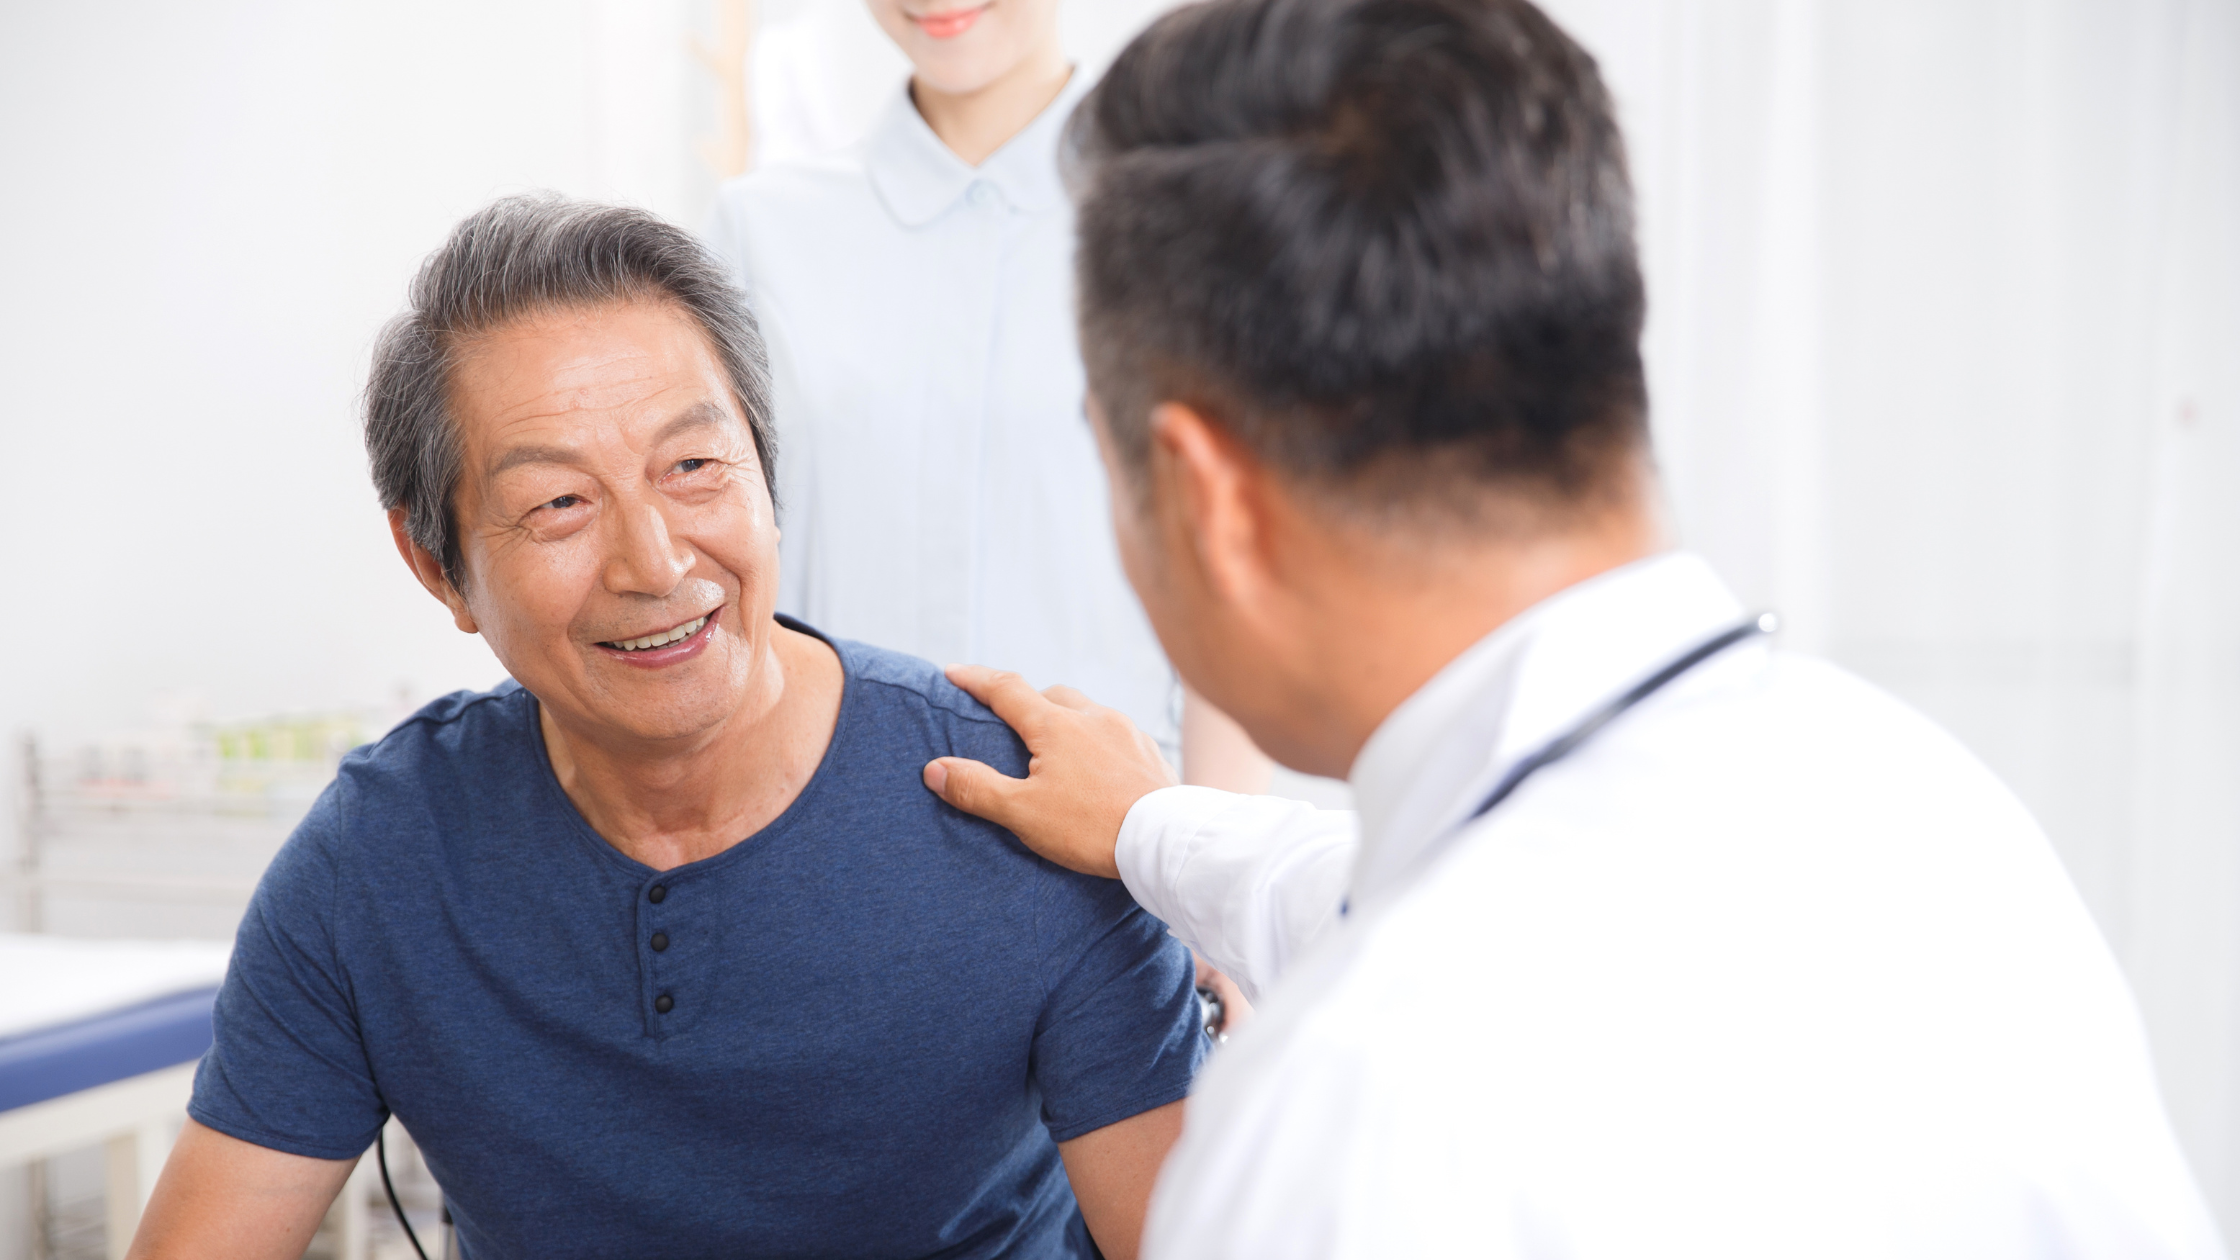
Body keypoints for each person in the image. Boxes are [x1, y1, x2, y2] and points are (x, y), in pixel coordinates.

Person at [917, 0, 2229, 1256]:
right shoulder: (1923, 800)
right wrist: (1153, 824)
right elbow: (1434, 891)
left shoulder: (1351, 1120)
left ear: (1209, 501)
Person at [126, 197, 1202, 1260]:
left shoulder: (1022, 811)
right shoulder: (380, 858)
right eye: (558, 504)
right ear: (435, 566)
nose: (655, 563)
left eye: (692, 468)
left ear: (766, 476)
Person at [700, 0, 1271, 793]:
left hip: (1116, 851)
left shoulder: (1194, 223)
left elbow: (1234, 577)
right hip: (824, 822)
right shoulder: (761, 232)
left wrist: (1208, 880)